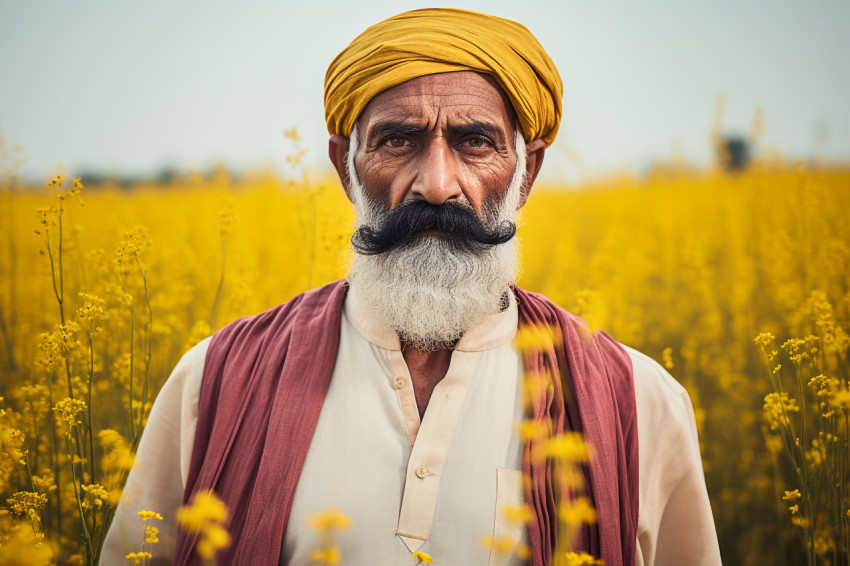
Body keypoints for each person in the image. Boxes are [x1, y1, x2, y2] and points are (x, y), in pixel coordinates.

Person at [102, 8, 722, 566]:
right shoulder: (214, 382)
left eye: (475, 142)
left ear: (525, 173)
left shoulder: (638, 403)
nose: (437, 183)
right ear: (346, 168)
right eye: (398, 140)